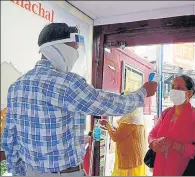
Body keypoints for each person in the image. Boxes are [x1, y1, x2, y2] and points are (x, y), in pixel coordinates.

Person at [1, 23, 157, 176]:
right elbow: (112, 104)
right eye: (74, 49)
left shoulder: (16, 87)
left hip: (29, 172)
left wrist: (20, 172)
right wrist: (142, 93)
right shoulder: (67, 83)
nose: (75, 55)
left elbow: (9, 140)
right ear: (59, 47)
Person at [148, 75, 195, 176]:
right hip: (160, 169)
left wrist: (173, 145)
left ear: (189, 93)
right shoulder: (166, 113)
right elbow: (152, 134)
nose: (174, 91)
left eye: (179, 88)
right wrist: (154, 143)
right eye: (173, 87)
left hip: (184, 171)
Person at [99, 91, 146, 176]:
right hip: (135, 158)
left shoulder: (129, 120)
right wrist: (111, 127)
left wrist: (107, 124)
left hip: (129, 159)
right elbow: (125, 134)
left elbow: (116, 137)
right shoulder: (136, 118)